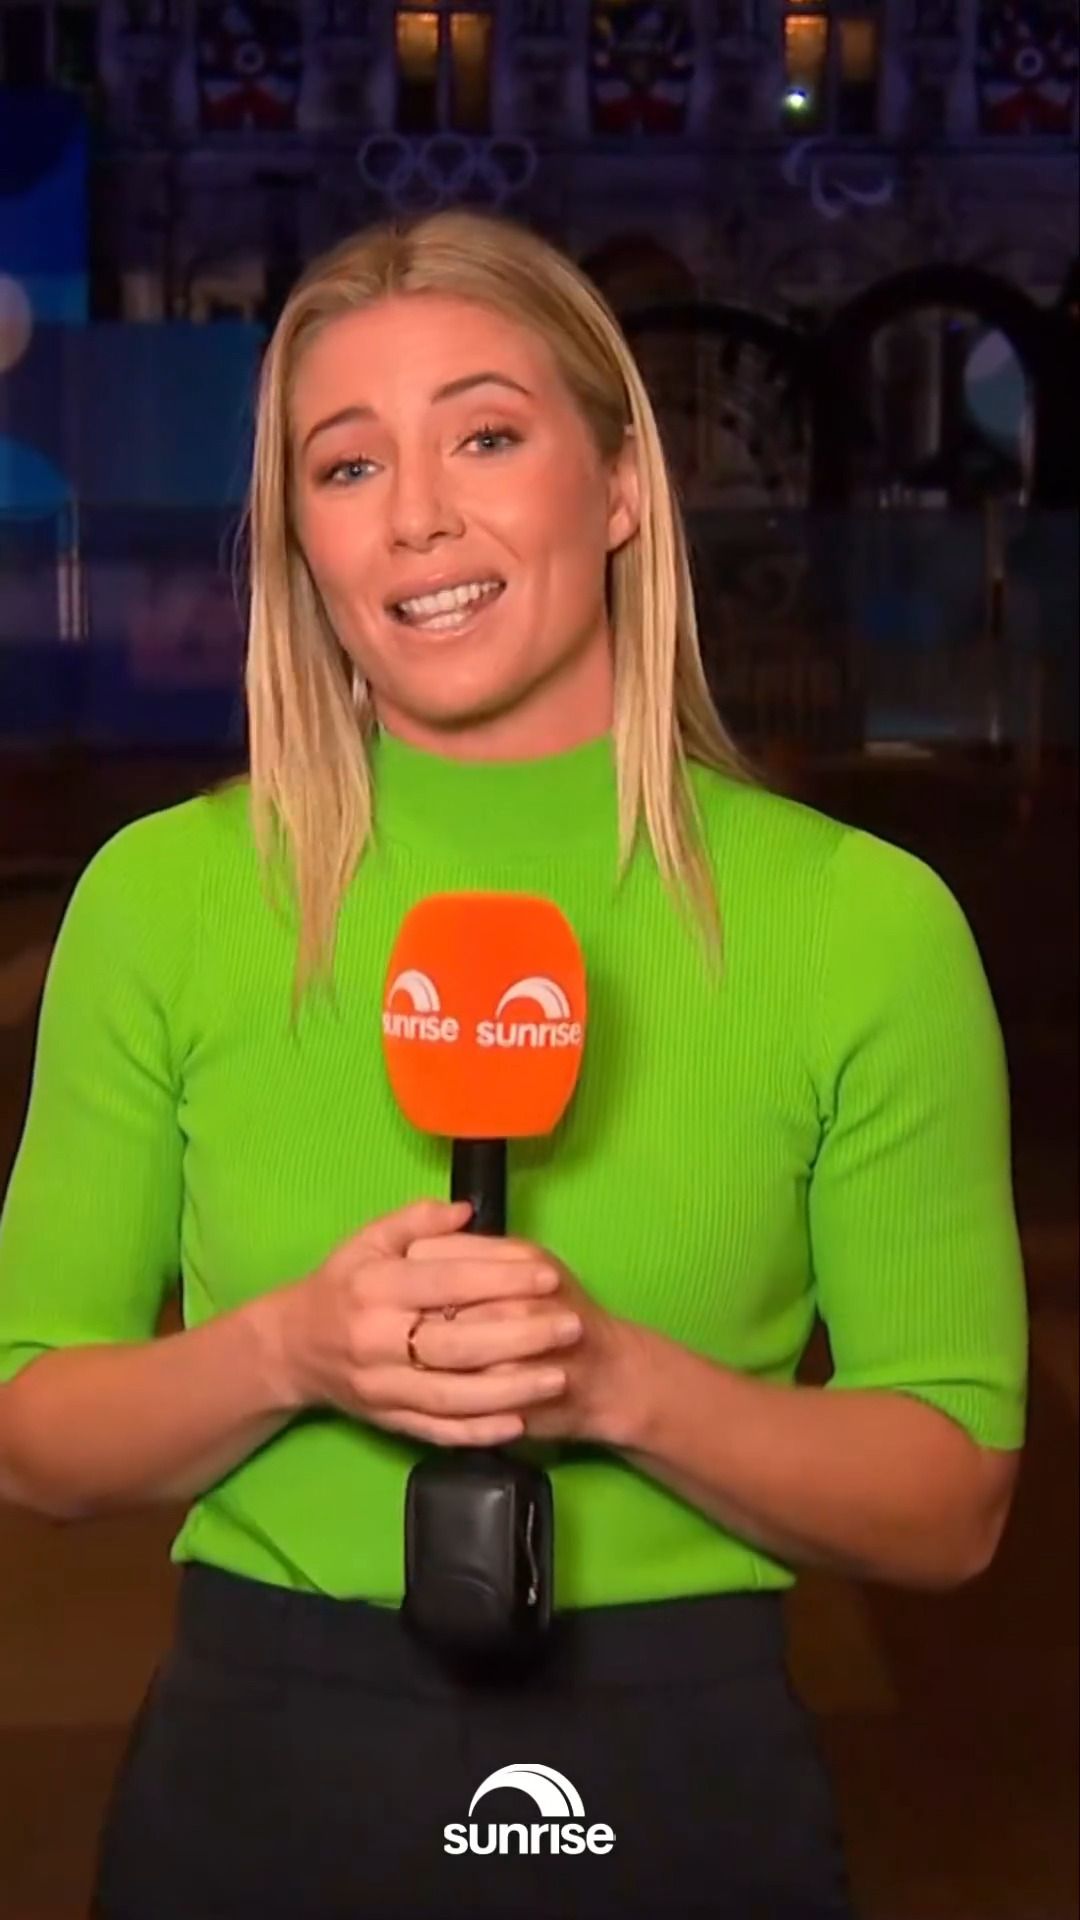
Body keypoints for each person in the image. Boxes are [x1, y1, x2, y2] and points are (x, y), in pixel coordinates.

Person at [0, 208, 1028, 1920]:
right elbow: (33, 1435)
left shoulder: (860, 923)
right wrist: (290, 1350)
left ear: (618, 485)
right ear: (302, 541)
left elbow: (952, 1504)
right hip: (261, 1765)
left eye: (484, 436)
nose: (417, 514)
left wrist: (614, 1386)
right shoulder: (164, 900)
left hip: (684, 1767)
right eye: (346, 465)